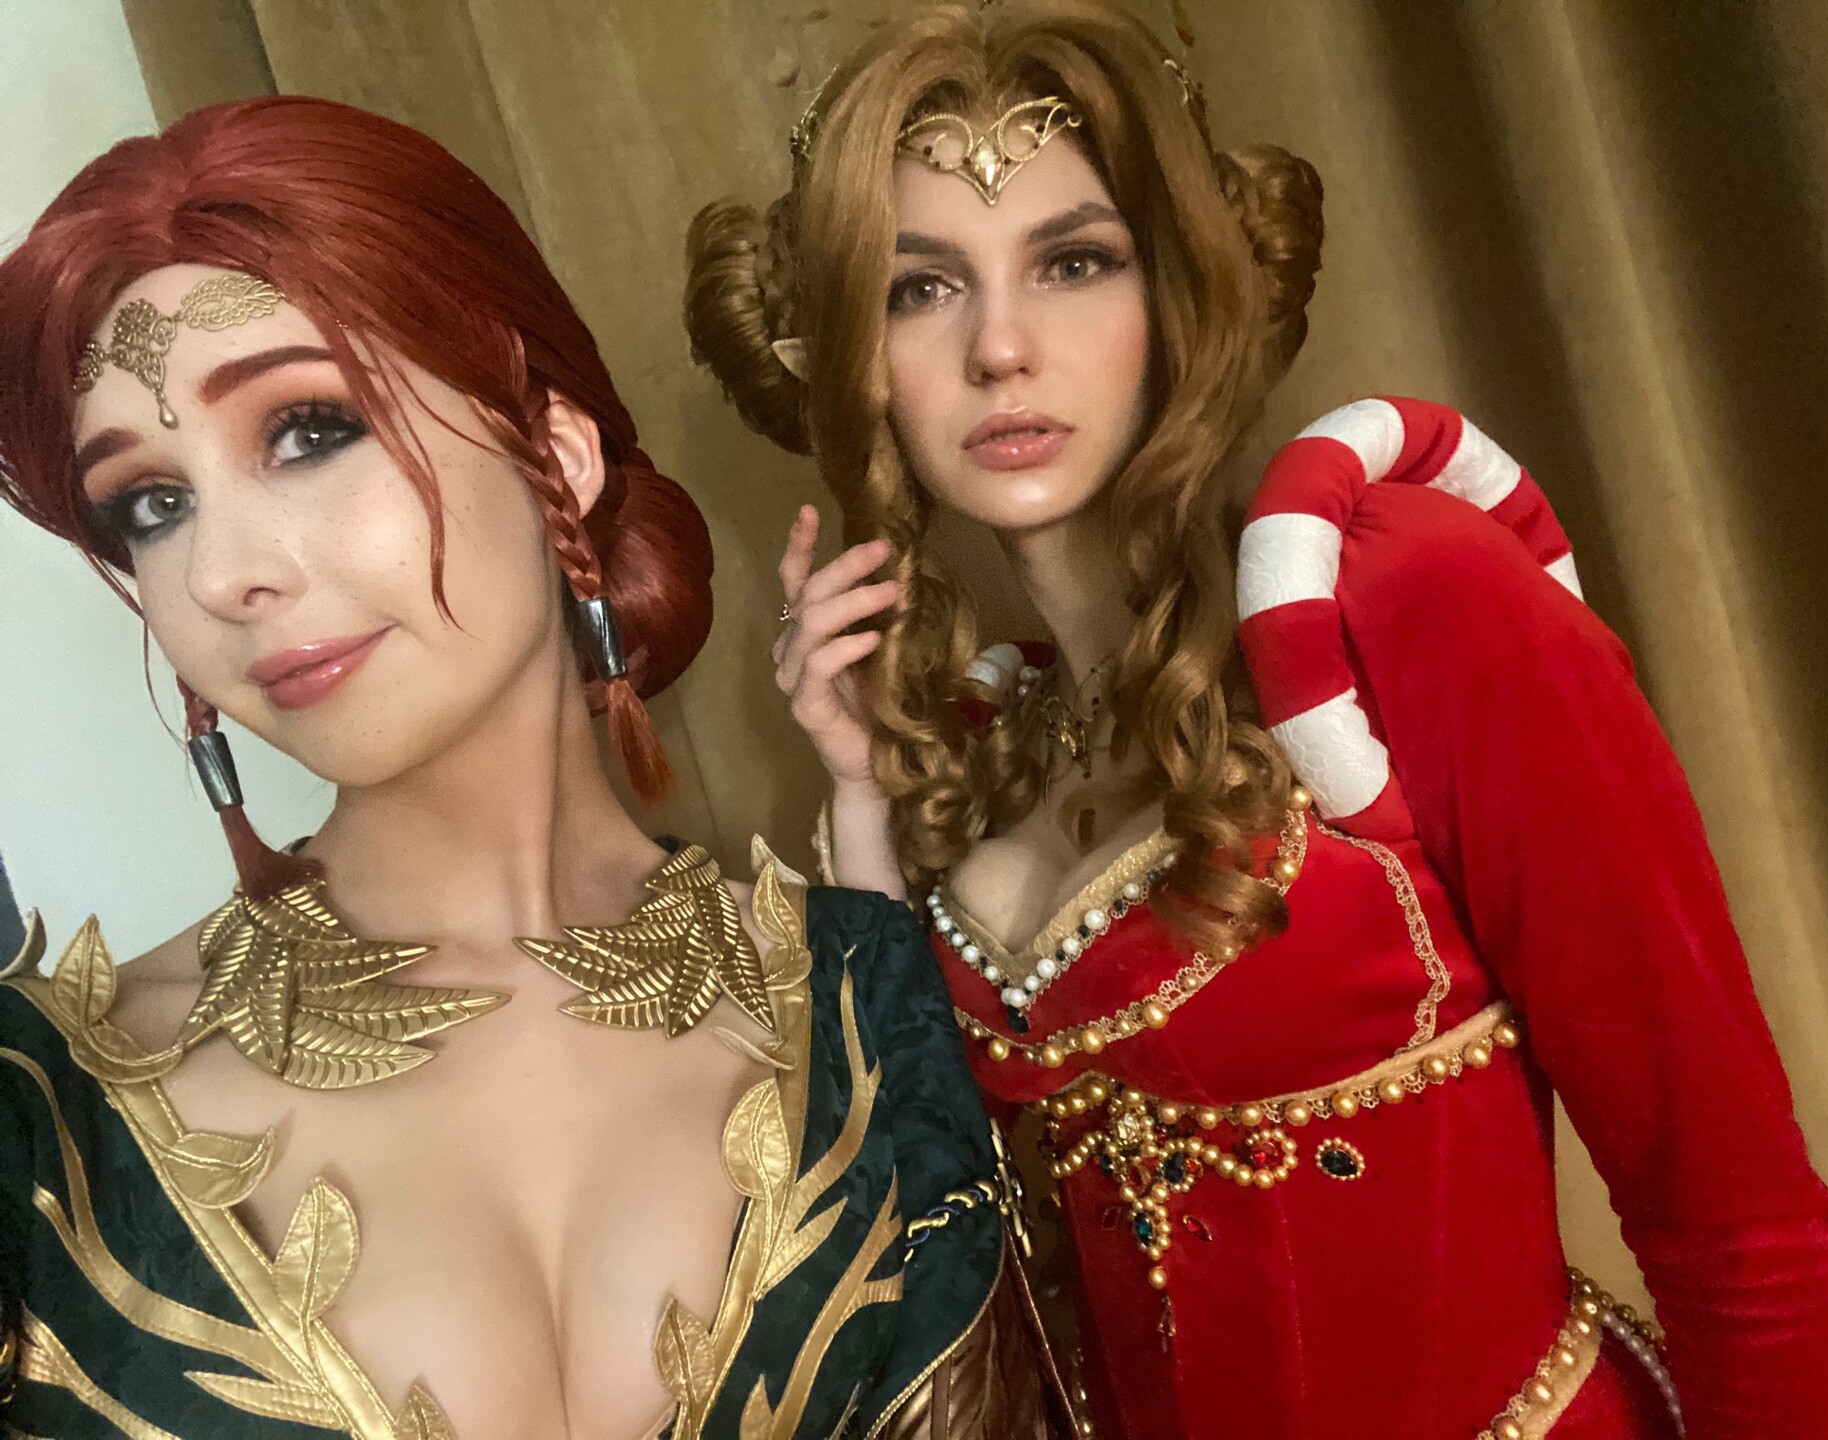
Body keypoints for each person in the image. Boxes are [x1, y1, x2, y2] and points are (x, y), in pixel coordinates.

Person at [682, 2, 1828, 1435]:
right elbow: (928, 1273)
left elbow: (1739, 1219)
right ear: (853, 352)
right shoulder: (985, 747)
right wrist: (861, 804)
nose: (1001, 347)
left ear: (1182, 288)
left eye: (1075, 262)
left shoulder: (1403, 596)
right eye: (920, 287)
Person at [0, 96, 1064, 1440]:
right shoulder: (44, 1115)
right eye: (151, 505)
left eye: (308, 430)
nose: (222, 573)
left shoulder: (863, 1006)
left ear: (550, 450)